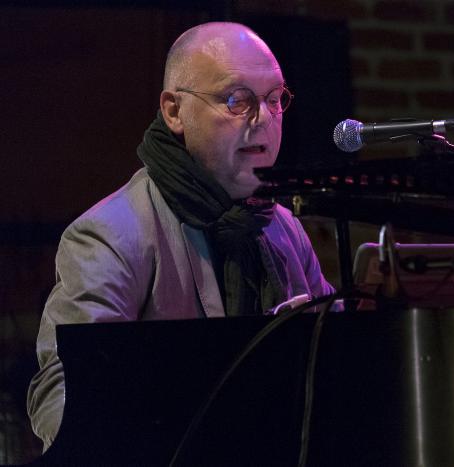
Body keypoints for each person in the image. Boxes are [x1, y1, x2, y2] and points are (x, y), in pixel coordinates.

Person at [26, 22, 335, 449]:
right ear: (174, 111)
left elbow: (334, 366)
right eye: (236, 99)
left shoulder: (286, 230)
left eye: (274, 99)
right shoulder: (111, 235)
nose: (263, 119)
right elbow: (64, 390)